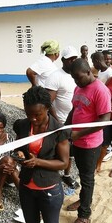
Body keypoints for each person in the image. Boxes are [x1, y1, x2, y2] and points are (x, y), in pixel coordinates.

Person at [13, 86, 70, 223]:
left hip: (49, 189)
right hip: (27, 186)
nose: (33, 119)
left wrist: (38, 162)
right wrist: (18, 155)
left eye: (37, 114)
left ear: (47, 108)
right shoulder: (22, 125)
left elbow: (64, 163)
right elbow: (18, 149)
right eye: (29, 114)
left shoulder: (58, 130)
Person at [64, 58, 111, 223]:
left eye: (79, 78)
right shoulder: (79, 87)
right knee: (81, 174)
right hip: (75, 139)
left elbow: (104, 121)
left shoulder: (101, 90)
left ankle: (84, 215)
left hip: (90, 144)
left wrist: (77, 134)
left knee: (87, 178)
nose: (76, 82)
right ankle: (83, 199)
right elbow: (74, 110)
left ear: (89, 72)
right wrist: (66, 127)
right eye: (74, 79)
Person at [42, 45, 80, 189]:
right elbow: (48, 102)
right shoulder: (55, 76)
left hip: (76, 121)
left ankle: (67, 175)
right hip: (62, 121)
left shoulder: (78, 73)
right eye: (70, 59)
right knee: (60, 150)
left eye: (75, 58)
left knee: (71, 152)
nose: (73, 61)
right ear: (63, 60)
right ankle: (55, 177)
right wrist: (57, 121)